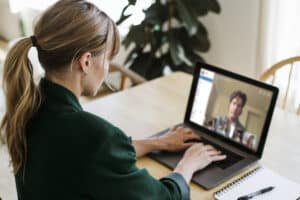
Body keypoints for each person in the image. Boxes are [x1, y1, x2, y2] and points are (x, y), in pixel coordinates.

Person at [0, 1, 226, 200]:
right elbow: (162, 197)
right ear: (86, 61)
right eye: (107, 58)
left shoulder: (28, 107)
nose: (107, 68)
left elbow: (88, 158)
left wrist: (158, 143)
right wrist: (187, 165)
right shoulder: (95, 136)